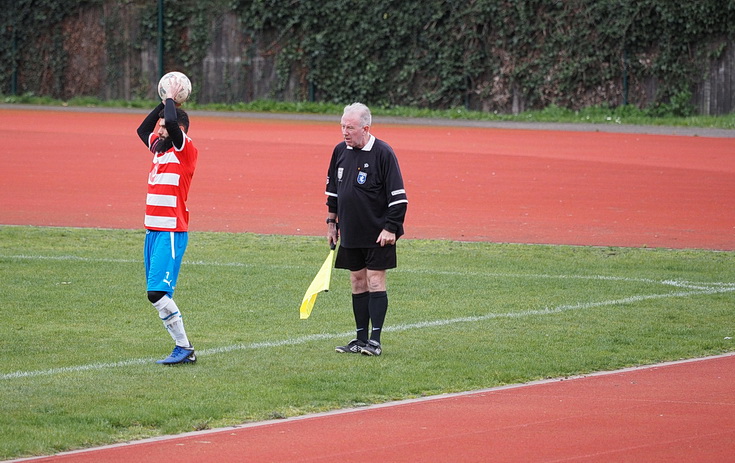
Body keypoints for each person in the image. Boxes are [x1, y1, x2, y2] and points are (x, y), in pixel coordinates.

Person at [325, 102, 408, 356]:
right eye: (342, 126)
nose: (344, 132)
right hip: (350, 231)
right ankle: (360, 339)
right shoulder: (340, 151)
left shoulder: (383, 153)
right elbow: (333, 193)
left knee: (374, 280)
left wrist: (391, 228)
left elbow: (399, 198)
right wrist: (331, 223)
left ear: (365, 128)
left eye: (350, 127)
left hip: (378, 234)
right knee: (357, 281)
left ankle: (375, 341)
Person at [136, 77, 198, 365]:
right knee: (156, 294)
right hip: (153, 231)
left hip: (171, 230)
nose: (159, 130)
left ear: (180, 129)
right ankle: (183, 348)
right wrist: (163, 104)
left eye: (164, 126)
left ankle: (184, 347)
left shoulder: (185, 151)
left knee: (157, 292)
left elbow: (172, 126)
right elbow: (142, 129)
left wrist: (171, 102)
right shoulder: (158, 150)